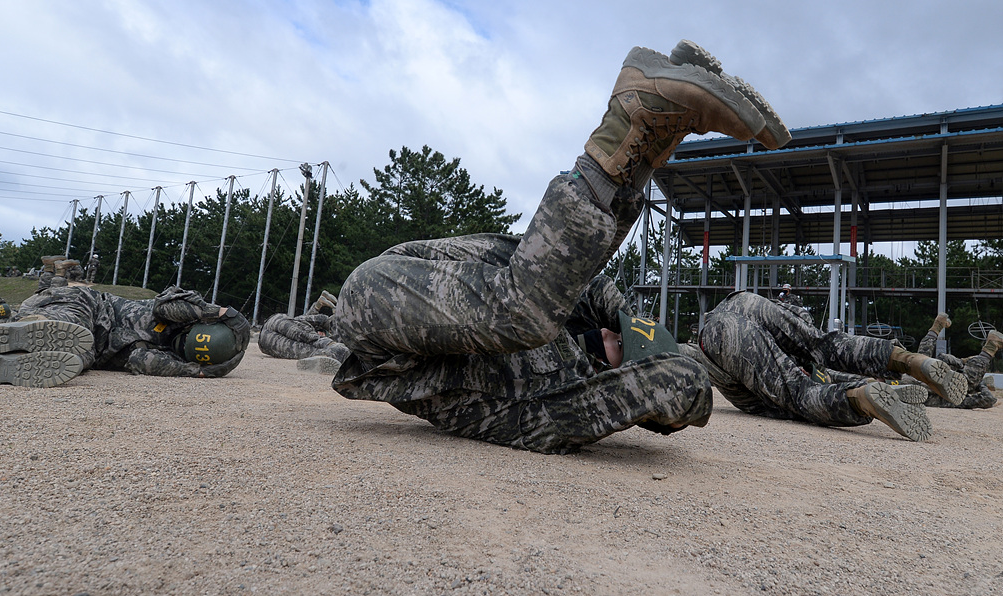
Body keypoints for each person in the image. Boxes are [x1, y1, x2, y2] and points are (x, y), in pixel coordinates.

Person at [322, 39, 792, 454]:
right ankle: (646, 128)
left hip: (379, 319)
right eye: (619, 331)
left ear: (620, 378)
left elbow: (680, 388)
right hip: (424, 276)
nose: (611, 336)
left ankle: (642, 122)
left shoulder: (556, 404)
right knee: (559, 284)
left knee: (529, 311)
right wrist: (635, 327)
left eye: (618, 348)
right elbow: (590, 278)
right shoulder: (581, 320)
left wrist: (660, 382)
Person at [684, 292, 969, 441]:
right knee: (822, 347)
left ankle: (864, 395)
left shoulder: (703, 344)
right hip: (746, 305)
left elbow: (816, 376)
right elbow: (821, 369)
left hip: (724, 322)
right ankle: (910, 361)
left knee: (802, 389)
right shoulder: (787, 346)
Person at [0, 285, 250, 388]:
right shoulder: (174, 312)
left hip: (92, 344)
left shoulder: (164, 358)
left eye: (186, 350)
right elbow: (166, 302)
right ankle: (27, 327)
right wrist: (213, 311)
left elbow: (141, 360)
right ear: (196, 327)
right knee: (70, 324)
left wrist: (194, 372)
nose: (178, 345)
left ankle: (10, 361)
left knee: (75, 358)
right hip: (86, 305)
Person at [906, 314, 1000, 409]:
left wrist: (980, 385)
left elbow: (987, 399)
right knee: (921, 361)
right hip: (914, 374)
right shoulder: (952, 398)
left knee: (966, 383)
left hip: (925, 384)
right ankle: (936, 327)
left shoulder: (954, 398)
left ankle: (990, 348)